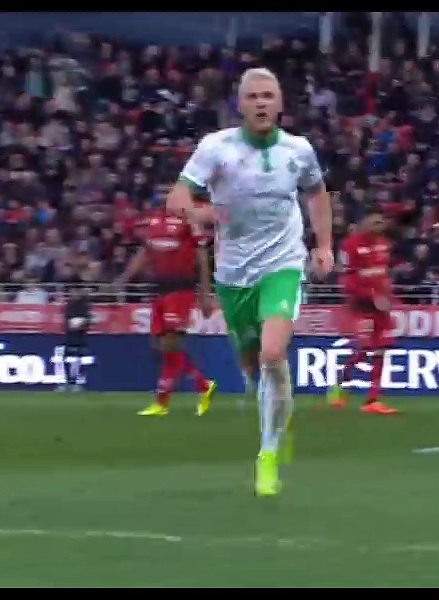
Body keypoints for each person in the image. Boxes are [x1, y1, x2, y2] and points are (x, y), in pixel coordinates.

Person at [166, 67, 334, 497]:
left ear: (280, 104)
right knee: (251, 364)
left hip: (283, 264)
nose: (261, 103)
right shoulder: (216, 148)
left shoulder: (298, 150)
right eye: (253, 96)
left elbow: (316, 193)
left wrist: (324, 246)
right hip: (233, 273)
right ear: (240, 104)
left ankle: (268, 454)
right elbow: (177, 196)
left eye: (268, 96)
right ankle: (278, 415)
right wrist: (196, 212)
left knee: (272, 354)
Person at [117, 205, 216, 415]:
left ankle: (162, 402)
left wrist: (205, 294)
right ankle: (203, 385)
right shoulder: (153, 221)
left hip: (181, 289)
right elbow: (144, 253)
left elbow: (201, 258)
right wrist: (124, 279)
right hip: (159, 289)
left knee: (171, 344)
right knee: (160, 345)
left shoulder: (189, 222)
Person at [328, 209, 399, 414]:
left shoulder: (384, 244)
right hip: (361, 304)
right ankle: (340, 383)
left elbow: (382, 275)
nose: (380, 226)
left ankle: (372, 400)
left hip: (380, 305)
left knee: (382, 348)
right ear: (364, 223)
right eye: (376, 222)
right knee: (365, 348)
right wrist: (371, 296)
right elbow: (347, 278)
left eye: (381, 222)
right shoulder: (350, 245)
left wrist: (388, 296)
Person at [60, 286, 91, 392]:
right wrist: (72, 324)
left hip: (81, 338)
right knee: (67, 360)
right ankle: (68, 382)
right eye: (72, 291)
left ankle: (78, 383)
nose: (74, 293)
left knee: (80, 360)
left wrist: (81, 323)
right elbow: (67, 323)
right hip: (70, 338)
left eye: (76, 291)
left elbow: (87, 322)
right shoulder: (69, 306)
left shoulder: (85, 306)